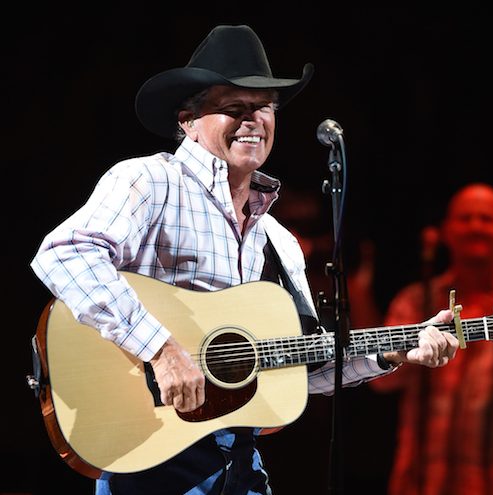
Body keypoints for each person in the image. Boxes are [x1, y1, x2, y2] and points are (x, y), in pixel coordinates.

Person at [30, 24, 459, 495]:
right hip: (149, 455)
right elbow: (65, 254)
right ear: (188, 120)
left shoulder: (279, 240)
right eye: (234, 107)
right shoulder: (150, 181)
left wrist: (388, 351)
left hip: (240, 466)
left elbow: (297, 366)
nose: (254, 119)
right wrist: (161, 349)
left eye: (265, 108)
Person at [369, 182, 493, 495]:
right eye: (465, 218)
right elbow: (381, 381)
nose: (475, 227)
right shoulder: (417, 300)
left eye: (487, 219)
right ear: (446, 231)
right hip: (420, 481)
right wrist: (413, 351)